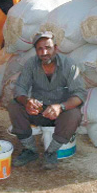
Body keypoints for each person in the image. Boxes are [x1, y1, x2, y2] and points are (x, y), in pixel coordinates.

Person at [7, 31, 86, 170]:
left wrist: (60, 107)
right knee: (14, 106)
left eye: (48, 48)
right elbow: (20, 89)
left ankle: (51, 152)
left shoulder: (69, 64)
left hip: (61, 113)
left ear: (55, 48)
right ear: (36, 51)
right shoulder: (31, 64)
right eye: (40, 49)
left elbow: (79, 94)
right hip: (39, 111)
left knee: (74, 114)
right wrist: (27, 102)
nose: (44, 52)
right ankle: (30, 150)